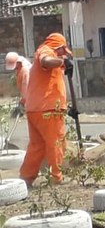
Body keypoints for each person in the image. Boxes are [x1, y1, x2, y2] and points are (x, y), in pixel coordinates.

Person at [19, 33, 72, 187]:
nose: (64, 54)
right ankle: (57, 178)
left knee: (38, 146)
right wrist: (62, 61)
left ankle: (26, 178)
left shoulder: (51, 55)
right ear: (59, 47)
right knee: (56, 143)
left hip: (35, 108)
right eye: (63, 51)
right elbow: (46, 61)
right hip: (48, 109)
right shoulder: (47, 51)